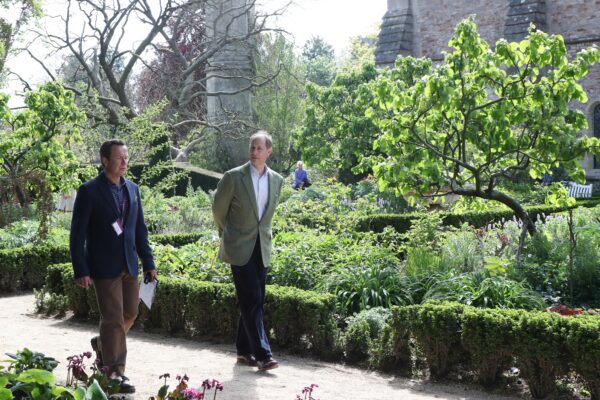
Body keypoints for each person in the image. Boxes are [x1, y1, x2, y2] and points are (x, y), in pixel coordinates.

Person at [70, 139, 157, 394]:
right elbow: (77, 234)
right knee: (113, 319)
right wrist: (81, 268)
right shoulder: (89, 191)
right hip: (102, 265)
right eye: (119, 158)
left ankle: (103, 344)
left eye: (126, 158)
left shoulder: (132, 189)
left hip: (129, 263)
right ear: (105, 160)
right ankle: (116, 373)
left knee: (130, 313)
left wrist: (149, 262)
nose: (124, 162)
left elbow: (139, 229)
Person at [212, 130, 284, 372]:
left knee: (254, 299)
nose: (254, 152)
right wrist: (229, 234)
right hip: (238, 247)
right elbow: (218, 211)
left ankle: (243, 351)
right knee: (252, 299)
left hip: (261, 247)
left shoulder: (277, 180)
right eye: (251, 148)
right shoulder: (233, 177)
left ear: (268, 152)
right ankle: (263, 354)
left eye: (259, 148)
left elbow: (266, 217)